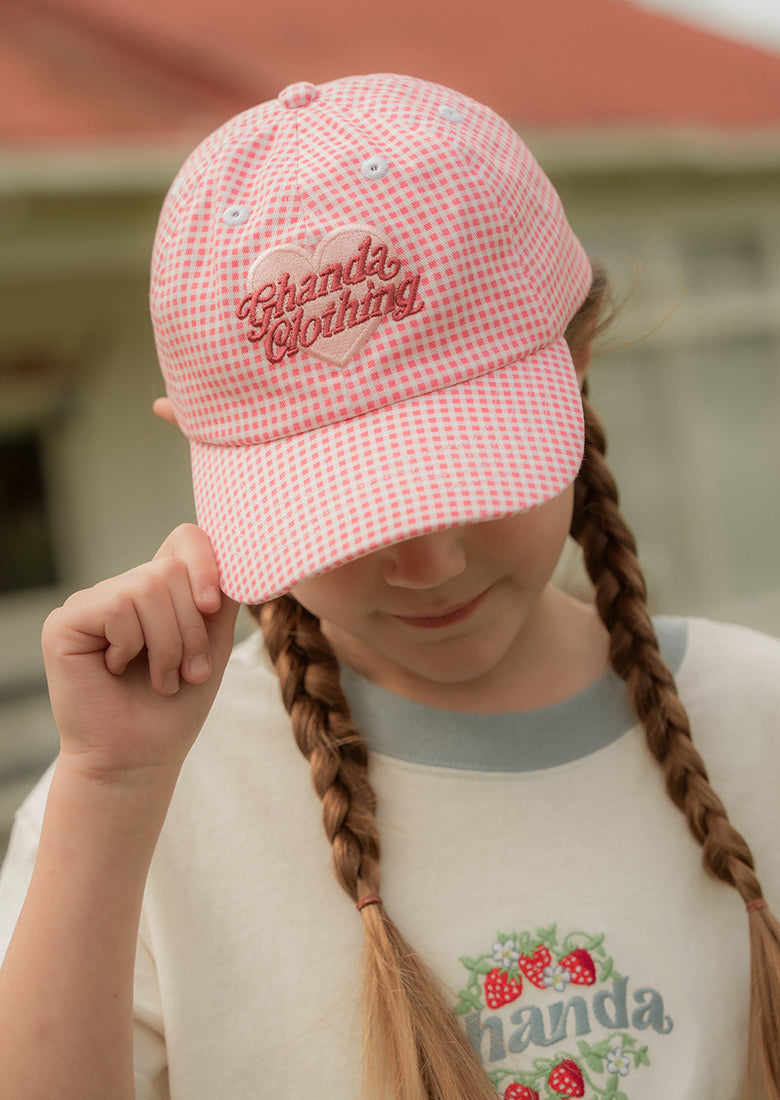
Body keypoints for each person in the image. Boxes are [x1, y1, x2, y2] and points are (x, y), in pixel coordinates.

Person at [0, 73, 778, 1100]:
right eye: (347, 513)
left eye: (474, 473)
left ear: (578, 357)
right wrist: (111, 792)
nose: (430, 565)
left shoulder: (760, 717)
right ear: (205, 451)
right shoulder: (141, 801)